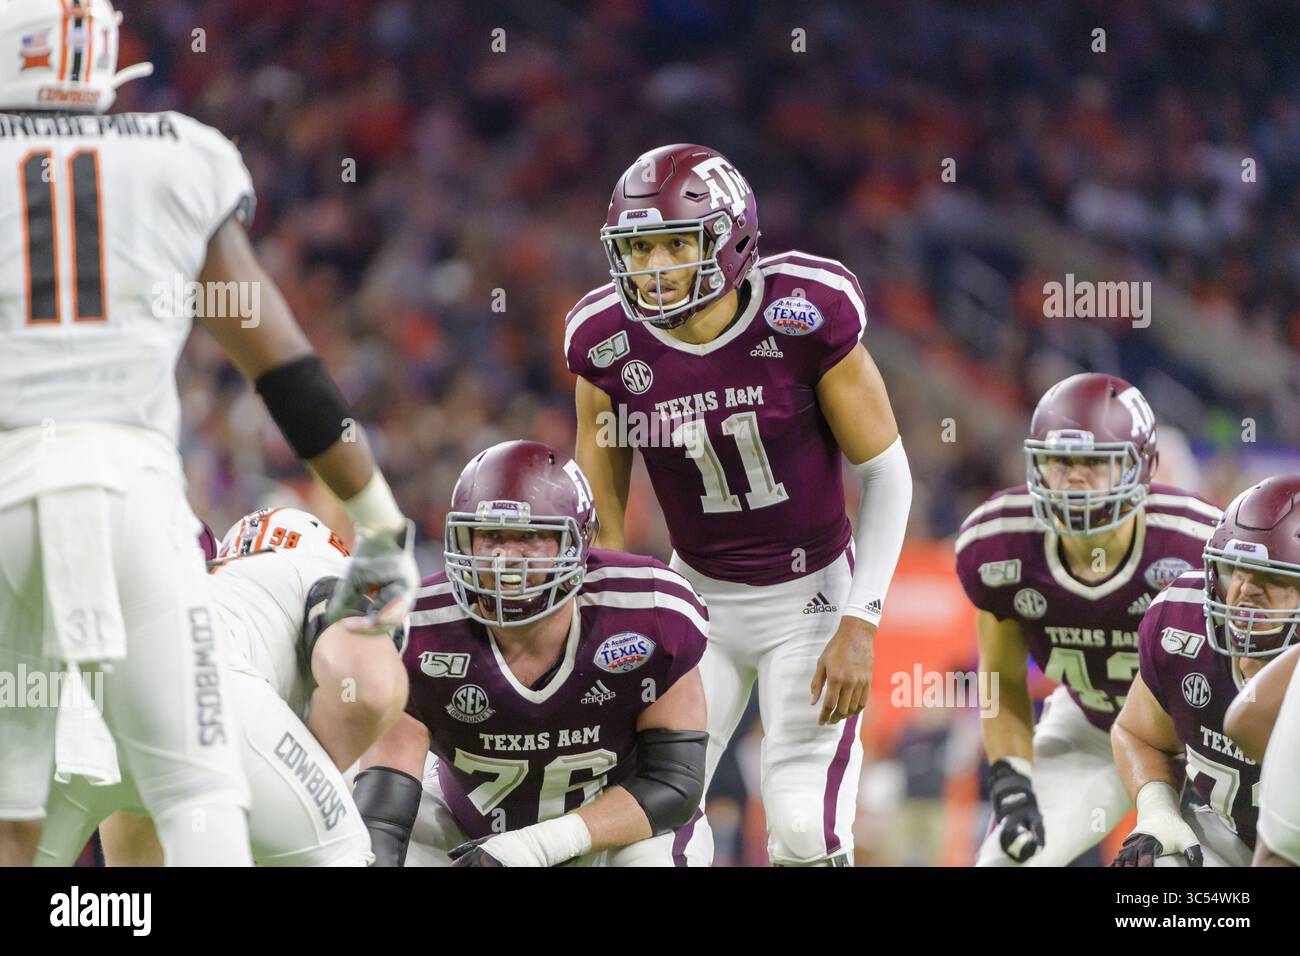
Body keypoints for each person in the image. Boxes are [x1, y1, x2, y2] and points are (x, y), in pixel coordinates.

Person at [0, 0, 417, 866]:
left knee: (18, 826)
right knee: (200, 796)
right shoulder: (177, 157)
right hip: (131, 504)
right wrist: (373, 510)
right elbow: (285, 367)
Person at [567, 144, 911, 865]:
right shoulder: (604, 344)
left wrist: (862, 620)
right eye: (638, 247)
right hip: (696, 596)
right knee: (643, 825)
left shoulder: (802, 312)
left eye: (673, 244)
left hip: (812, 596)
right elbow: (600, 503)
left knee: (802, 828)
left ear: (731, 240)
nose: (654, 268)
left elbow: (885, 472)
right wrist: (613, 617)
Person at [355, 441, 712, 866]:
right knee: (363, 838)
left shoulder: (650, 612)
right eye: (490, 536)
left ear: (577, 544)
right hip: (468, 829)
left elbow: (673, 785)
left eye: (530, 537)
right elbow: (384, 814)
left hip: (611, 832)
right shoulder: (415, 629)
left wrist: (533, 847)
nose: (506, 558)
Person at [35, 509, 409, 866]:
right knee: (341, 851)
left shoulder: (220, 591)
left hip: (79, 703)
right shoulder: (318, 571)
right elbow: (371, 690)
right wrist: (312, 786)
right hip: (201, 696)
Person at [955, 373, 1220, 865]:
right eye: (1060, 462)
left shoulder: (1199, 544)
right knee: (1007, 859)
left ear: (1141, 469)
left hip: (1201, 743)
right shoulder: (998, 544)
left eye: (1094, 464)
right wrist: (1011, 778)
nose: (1074, 478)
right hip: (1093, 726)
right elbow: (1001, 677)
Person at [1111, 476, 1300, 866]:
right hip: (1226, 839)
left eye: (1274, 577)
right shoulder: (1180, 622)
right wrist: (1157, 811)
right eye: (1236, 570)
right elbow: (1139, 734)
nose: (1245, 591)